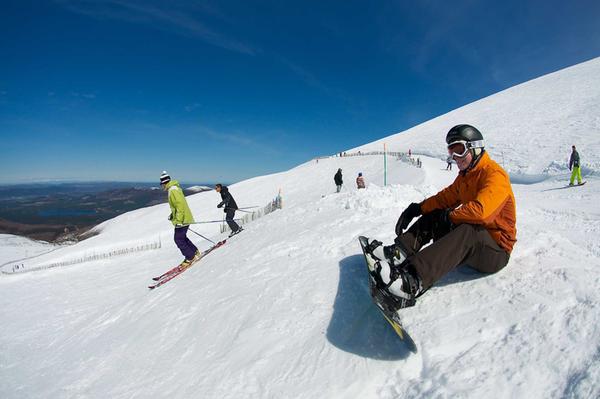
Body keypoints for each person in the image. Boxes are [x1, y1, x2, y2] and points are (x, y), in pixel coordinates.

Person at [365, 124, 517, 309]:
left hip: (496, 251)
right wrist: (418, 208)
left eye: (459, 150)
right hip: (475, 246)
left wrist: (451, 217)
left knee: (469, 229)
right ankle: (399, 252)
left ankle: (412, 281)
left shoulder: (494, 174)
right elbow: (444, 198)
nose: (455, 157)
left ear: (475, 147)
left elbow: (481, 212)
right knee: (437, 213)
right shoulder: (466, 176)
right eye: (451, 151)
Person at [160, 171, 200, 266]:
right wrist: (173, 215)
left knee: (178, 239)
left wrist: (178, 220)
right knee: (182, 237)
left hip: (182, 219)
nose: (162, 186)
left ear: (165, 183)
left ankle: (190, 257)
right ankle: (194, 252)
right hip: (183, 218)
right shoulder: (174, 189)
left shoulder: (173, 190)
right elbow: (177, 206)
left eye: (162, 184)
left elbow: (180, 205)